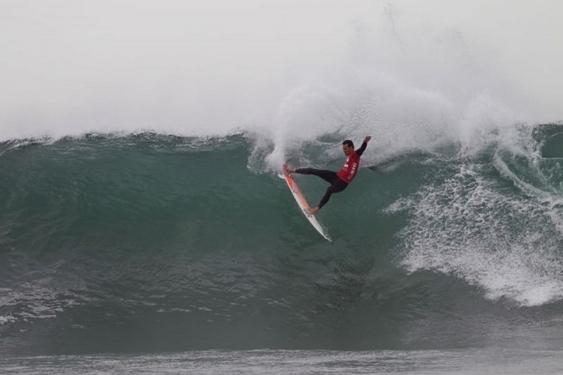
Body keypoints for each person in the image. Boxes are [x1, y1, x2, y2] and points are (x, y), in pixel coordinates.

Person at [288, 136, 371, 215]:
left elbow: (361, 149)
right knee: (314, 171)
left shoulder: (356, 155)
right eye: (343, 149)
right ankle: (292, 170)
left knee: (329, 190)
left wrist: (365, 141)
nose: (344, 151)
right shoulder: (350, 156)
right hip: (336, 176)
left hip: (342, 183)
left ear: (351, 148)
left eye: (345, 149)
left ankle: (315, 210)